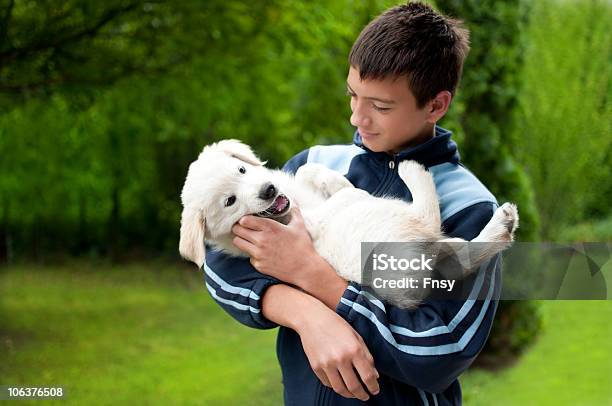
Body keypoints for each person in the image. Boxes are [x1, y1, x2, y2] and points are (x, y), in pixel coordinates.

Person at [204, 2, 501, 405]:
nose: (357, 119)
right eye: (353, 96)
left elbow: (441, 348)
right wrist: (308, 315)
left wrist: (320, 281)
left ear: (435, 104)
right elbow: (220, 264)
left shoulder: (469, 208)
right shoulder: (314, 165)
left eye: (380, 106)